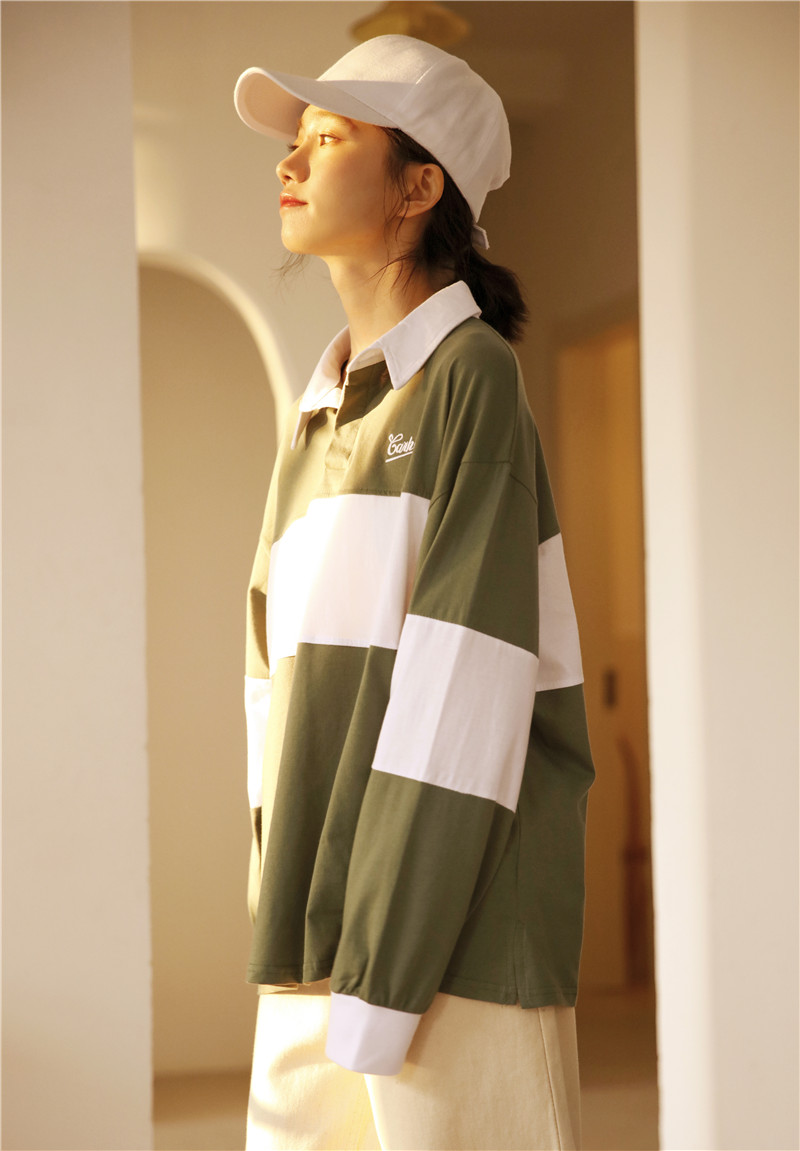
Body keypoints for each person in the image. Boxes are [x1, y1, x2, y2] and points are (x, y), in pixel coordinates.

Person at [234, 34, 594, 1151]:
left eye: (329, 137)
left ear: (418, 186)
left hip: (456, 946)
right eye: (296, 140)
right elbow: (272, 696)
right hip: (315, 936)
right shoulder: (318, 413)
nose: (291, 161)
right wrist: (283, 904)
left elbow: (461, 693)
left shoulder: (471, 380)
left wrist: (383, 972)